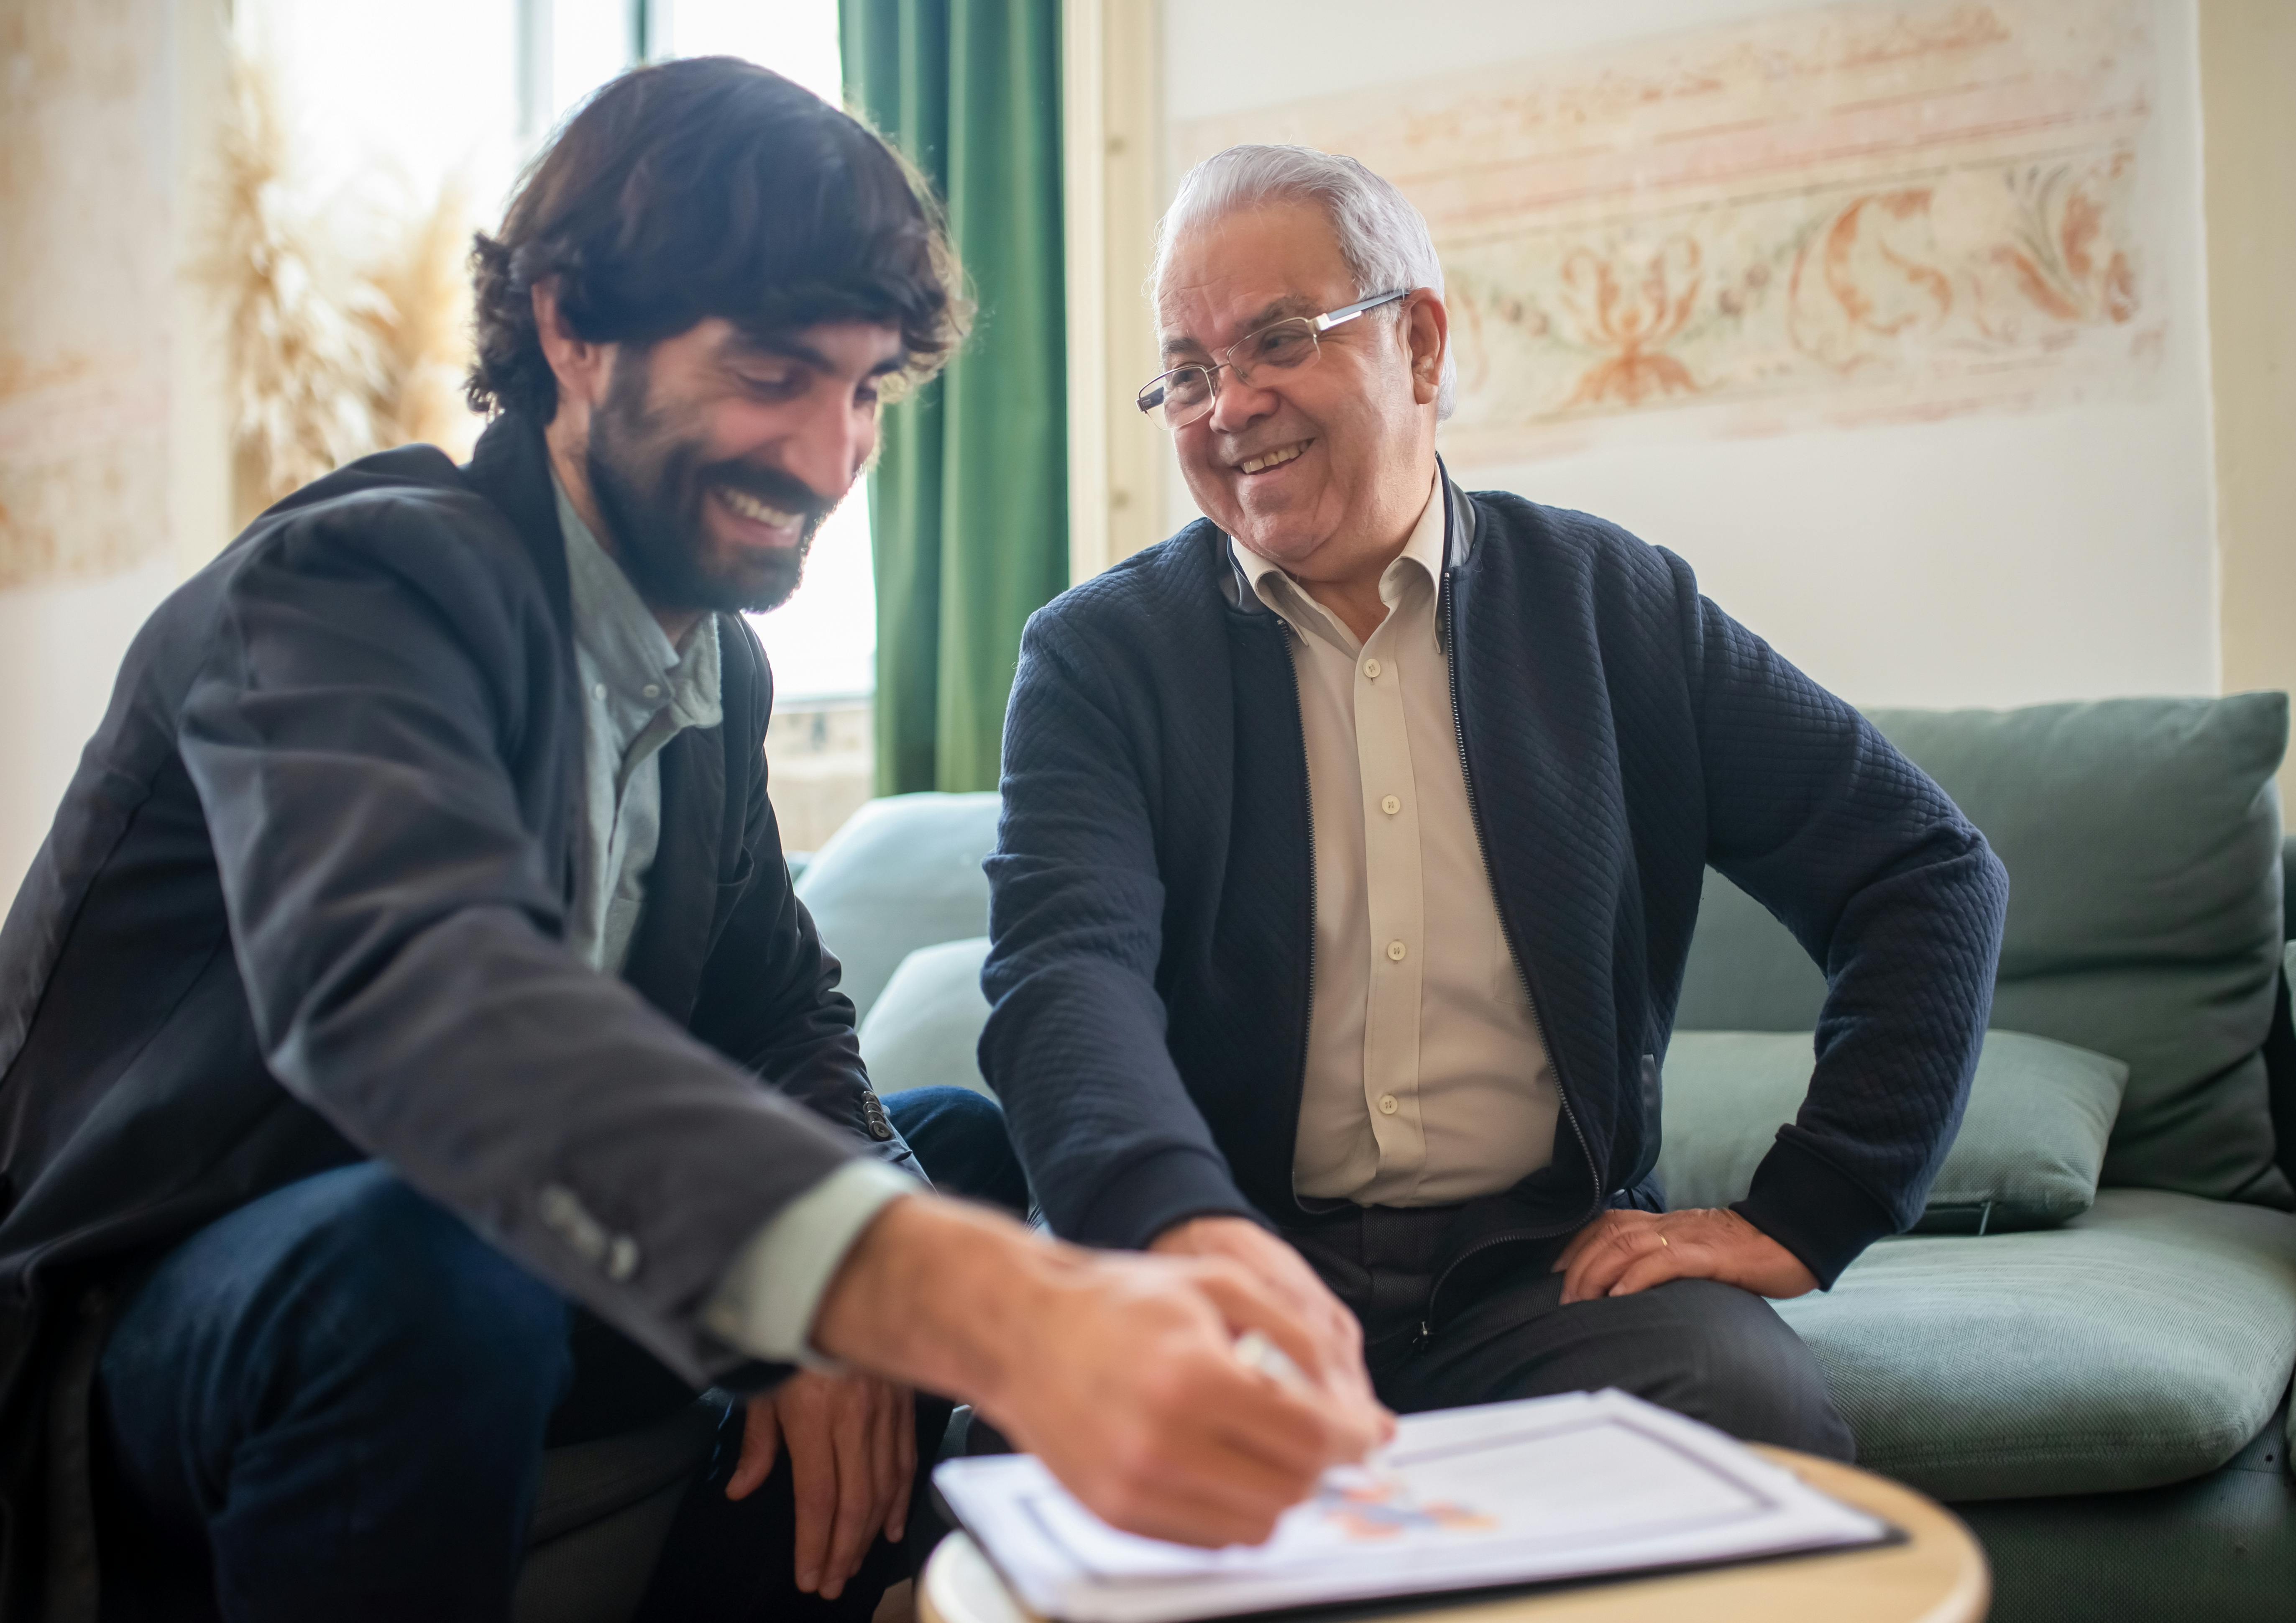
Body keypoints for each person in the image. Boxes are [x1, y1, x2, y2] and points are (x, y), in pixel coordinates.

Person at [0, 73, 1386, 1623]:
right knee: (433, 1267)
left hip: (511, 1284)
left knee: (957, 1158)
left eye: (865, 392)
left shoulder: (713, 666)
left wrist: (856, 1275)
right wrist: (965, 1304)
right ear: (574, 330)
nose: (828, 455)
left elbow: (782, 1005)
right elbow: (428, 1001)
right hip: (167, 1341)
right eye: (776, 374)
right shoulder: (357, 587)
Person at [981, 145, 2010, 1455]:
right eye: (1186, 371)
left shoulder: (1612, 606)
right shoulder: (1100, 657)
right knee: (1009, 1477)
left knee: (1751, 1416)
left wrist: (1813, 1208)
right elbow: (1065, 980)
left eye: (1276, 341)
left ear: (1417, 345)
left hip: (1544, 1276)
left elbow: (1924, 870)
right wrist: (1179, 1232)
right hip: (1223, 1267)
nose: (1227, 405)